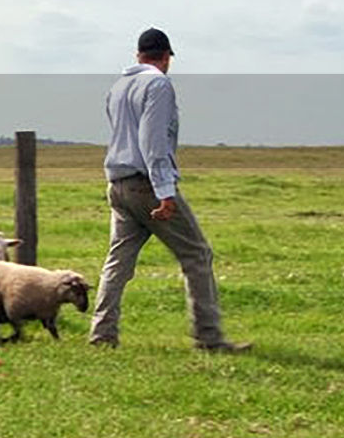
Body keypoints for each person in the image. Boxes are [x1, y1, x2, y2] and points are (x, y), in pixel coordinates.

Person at [88, 28, 249, 352]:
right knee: (197, 254)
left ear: (138, 56)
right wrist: (165, 190)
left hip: (117, 183)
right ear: (166, 58)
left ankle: (102, 335)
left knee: (118, 261)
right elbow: (153, 139)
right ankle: (209, 337)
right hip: (147, 183)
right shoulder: (158, 84)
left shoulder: (118, 87)